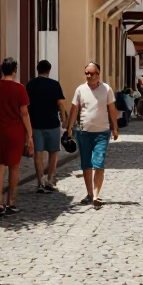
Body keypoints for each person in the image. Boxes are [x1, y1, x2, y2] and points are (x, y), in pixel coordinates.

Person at [0, 57, 33, 218]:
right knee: (14, 166)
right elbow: (24, 114)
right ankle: (11, 202)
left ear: (2, 69)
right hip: (15, 131)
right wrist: (30, 135)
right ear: (14, 71)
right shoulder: (20, 89)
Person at [66, 61, 119, 207]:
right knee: (86, 164)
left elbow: (112, 109)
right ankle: (89, 194)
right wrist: (69, 128)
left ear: (98, 75)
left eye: (91, 73)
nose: (88, 75)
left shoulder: (106, 89)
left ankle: (96, 195)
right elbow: (74, 109)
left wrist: (115, 128)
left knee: (99, 163)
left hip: (102, 132)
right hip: (83, 132)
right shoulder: (80, 90)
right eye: (86, 73)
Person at [26, 59, 66, 193]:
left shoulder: (30, 85)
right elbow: (60, 104)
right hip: (52, 123)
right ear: (49, 70)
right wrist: (64, 120)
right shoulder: (55, 84)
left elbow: (25, 106)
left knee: (38, 154)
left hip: (35, 123)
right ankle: (49, 179)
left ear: (37, 70)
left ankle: (40, 181)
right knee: (53, 152)